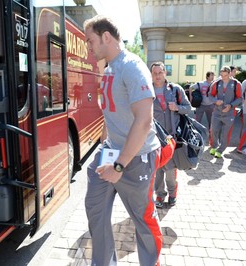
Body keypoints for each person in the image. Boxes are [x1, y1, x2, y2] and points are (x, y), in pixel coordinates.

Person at [83, 15, 162, 266]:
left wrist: (119, 165)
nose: (88, 47)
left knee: (143, 220)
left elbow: (144, 121)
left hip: (137, 158)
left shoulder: (132, 66)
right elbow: (111, 112)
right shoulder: (110, 68)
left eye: (90, 40)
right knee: (95, 208)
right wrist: (105, 146)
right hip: (111, 152)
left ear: (107, 37)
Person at [151, 62, 192, 208]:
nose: (157, 76)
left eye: (160, 72)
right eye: (154, 73)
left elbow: (188, 108)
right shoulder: (147, 90)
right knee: (156, 170)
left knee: (170, 169)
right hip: (154, 137)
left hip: (172, 137)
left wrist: (177, 108)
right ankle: (160, 195)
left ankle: (173, 193)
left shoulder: (175, 89)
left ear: (165, 73)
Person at [208, 66, 243, 158]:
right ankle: (214, 146)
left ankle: (221, 150)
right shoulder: (216, 83)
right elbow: (210, 95)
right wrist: (215, 101)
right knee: (214, 130)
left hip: (229, 113)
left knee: (226, 133)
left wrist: (231, 105)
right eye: (222, 75)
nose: (223, 77)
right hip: (217, 112)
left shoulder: (236, 84)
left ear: (230, 73)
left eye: (226, 75)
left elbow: (240, 98)